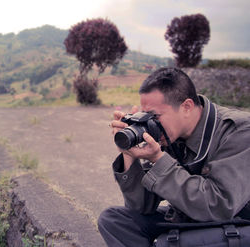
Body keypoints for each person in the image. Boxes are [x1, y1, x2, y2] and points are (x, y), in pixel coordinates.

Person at [98, 67, 250, 247]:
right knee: (114, 220)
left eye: (154, 116)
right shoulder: (170, 135)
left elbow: (219, 206)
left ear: (186, 107)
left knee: (169, 243)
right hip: (189, 215)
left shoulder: (238, 131)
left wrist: (159, 160)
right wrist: (129, 154)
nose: (150, 123)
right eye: (146, 115)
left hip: (236, 222)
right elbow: (141, 206)